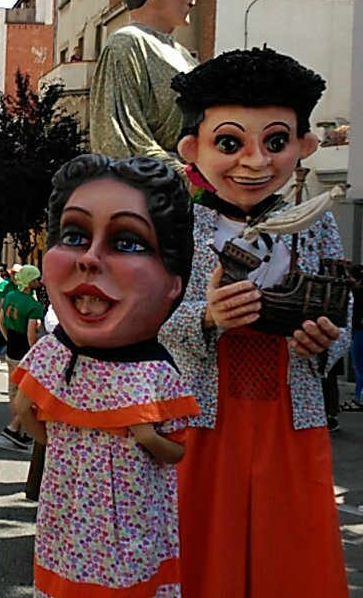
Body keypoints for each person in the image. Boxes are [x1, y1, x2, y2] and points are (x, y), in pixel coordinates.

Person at [161, 47, 349, 597]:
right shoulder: (176, 226)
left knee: (291, 546)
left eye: (275, 142)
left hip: (292, 412)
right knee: (200, 540)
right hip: (202, 415)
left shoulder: (318, 224)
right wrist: (206, 317)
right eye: (229, 143)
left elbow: (340, 309)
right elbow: (148, 317)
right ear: (193, 149)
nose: (255, 161)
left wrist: (324, 342)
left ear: (304, 146)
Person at [12, 154, 199, 597]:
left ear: (174, 281)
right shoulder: (55, 355)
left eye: (128, 242)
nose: (90, 259)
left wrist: (146, 437)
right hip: (66, 524)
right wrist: (60, 436)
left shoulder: (156, 373)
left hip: (134, 527)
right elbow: (26, 410)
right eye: (74, 236)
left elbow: (176, 450)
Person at [89, 0, 199, 174]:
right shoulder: (126, 44)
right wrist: (183, 176)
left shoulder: (185, 56)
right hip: (153, 186)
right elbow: (119, 138)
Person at [0, 265, 44, 449]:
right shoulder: (34, 306)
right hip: (25, 354)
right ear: (30, 281)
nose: (39, 282)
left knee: (13, 392)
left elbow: (0, 322)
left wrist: (8, 339)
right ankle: (14, 428)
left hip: (11, 349)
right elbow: (31, 336)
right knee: (30, 395)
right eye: (36, 279)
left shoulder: (10, 296)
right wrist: (36, 355)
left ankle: (20, 431)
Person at [344, 264, 363, 412]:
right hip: (358, 330)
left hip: (359, 331)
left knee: (359, 367)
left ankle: (359, 398)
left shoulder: (355, 294)